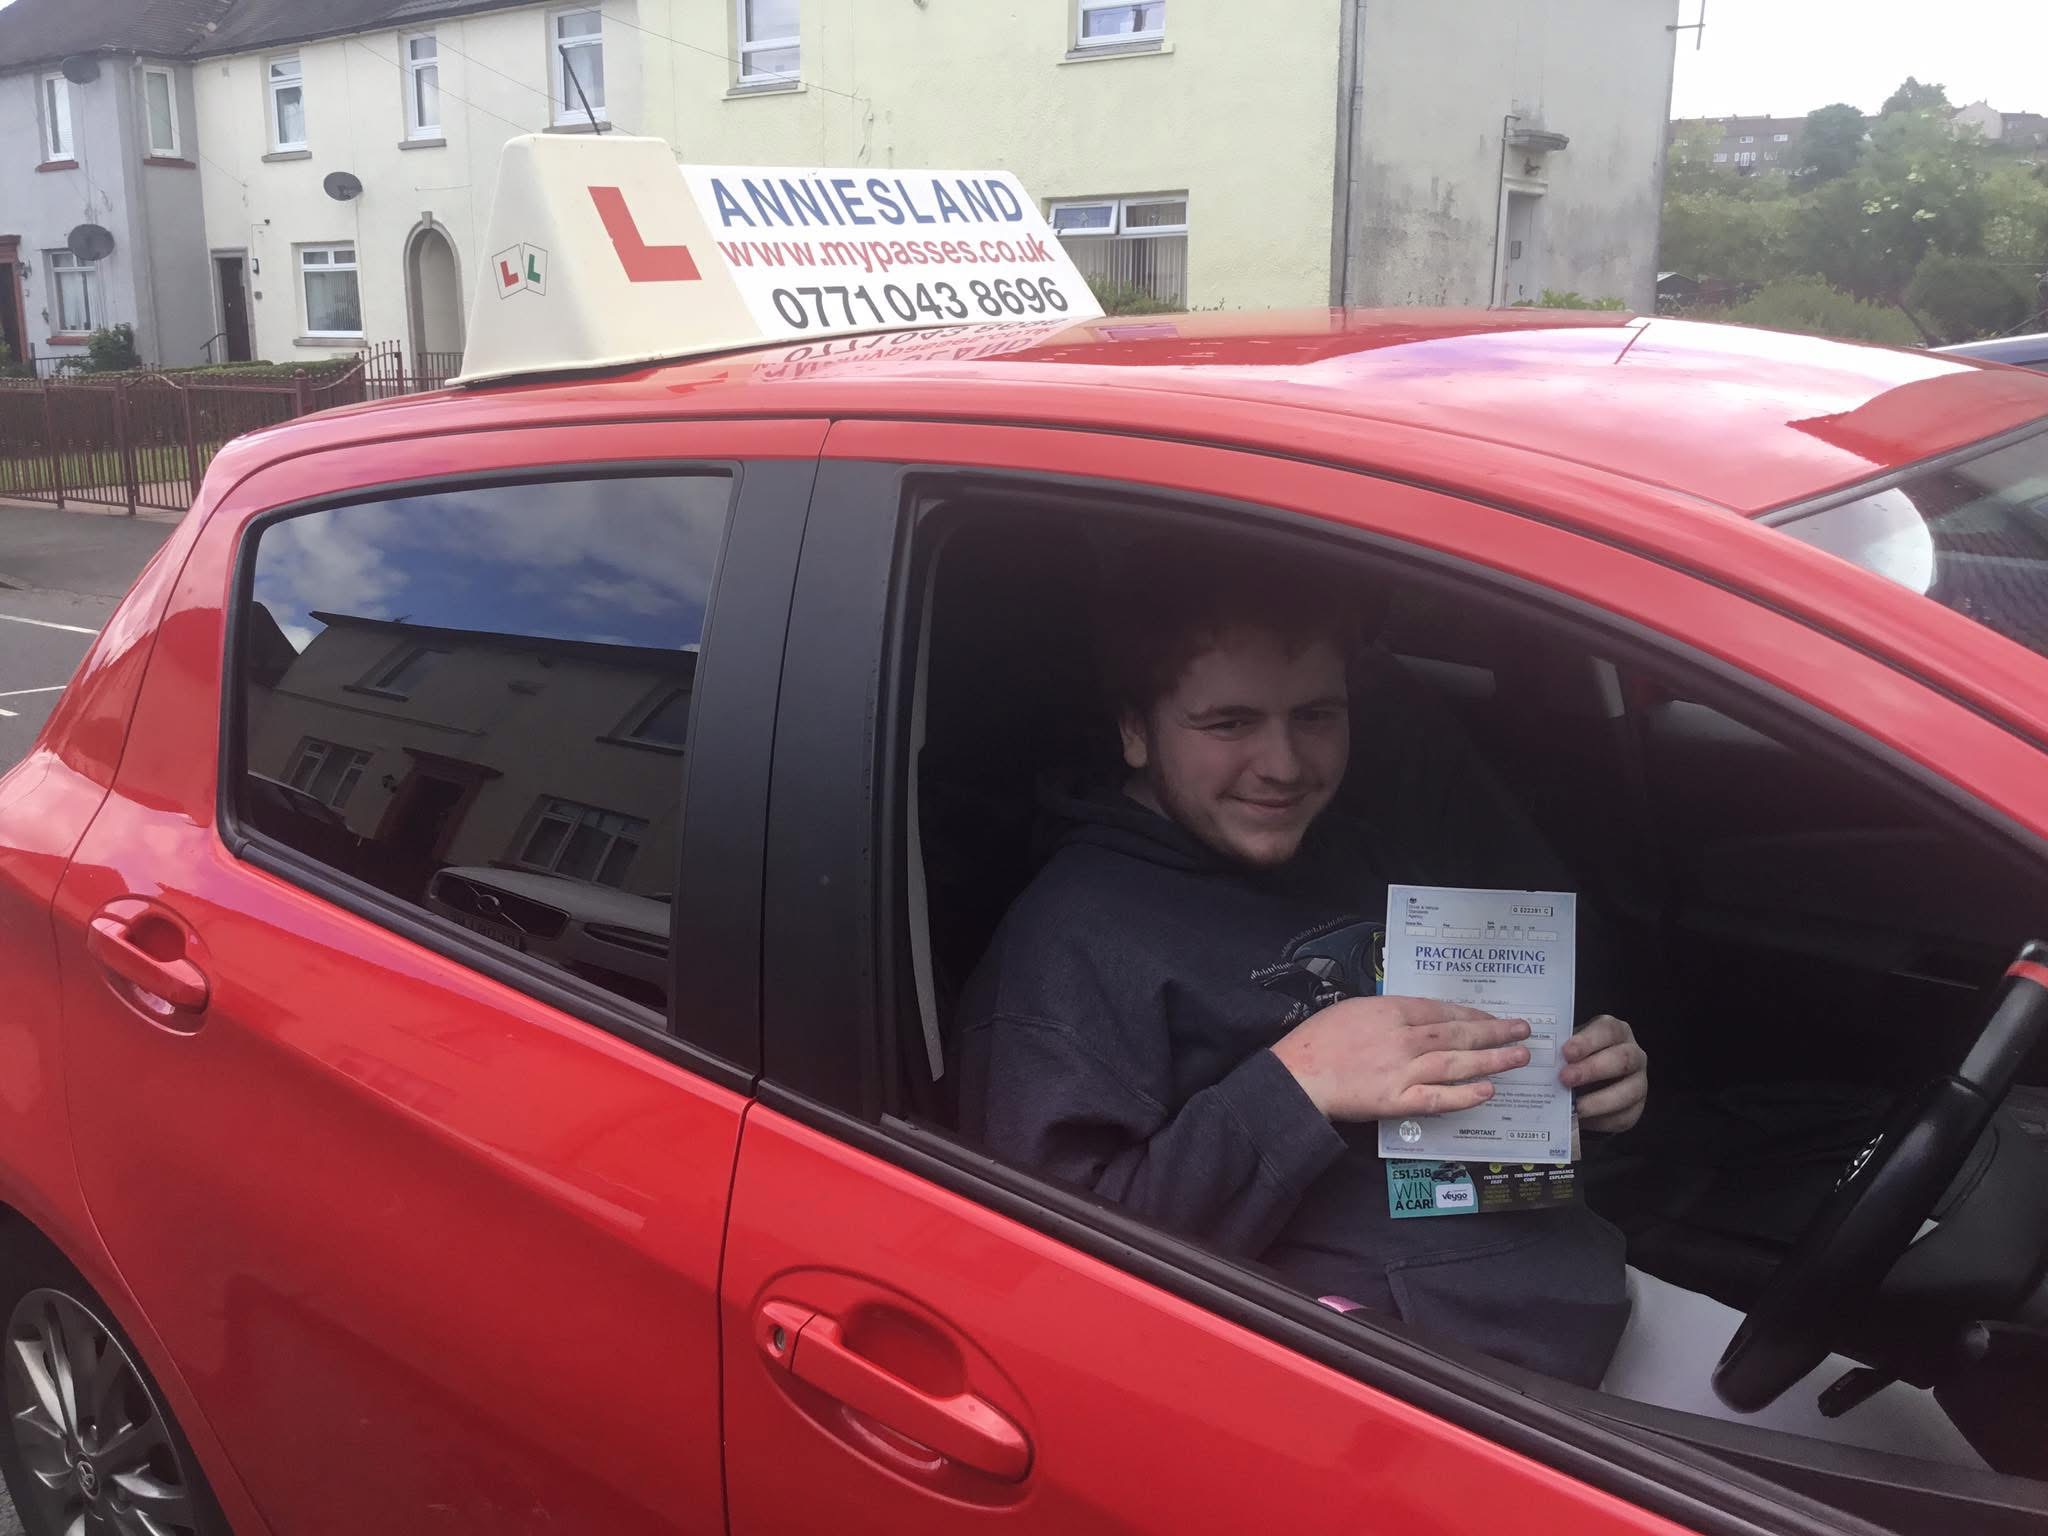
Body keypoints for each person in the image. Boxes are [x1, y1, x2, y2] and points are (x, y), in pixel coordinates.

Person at [955, 540, 1649, 1386]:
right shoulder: (1072, 945)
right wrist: (1299, 1084)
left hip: (1565, 1288)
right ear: (1136, 730)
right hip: (1409, 1372)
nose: (1284, 766)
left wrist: (1564, 1082)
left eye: (1316, 715)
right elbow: (1058, 1272)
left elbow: (1440, 1106)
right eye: (1230, 723)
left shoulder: (1352, 852)